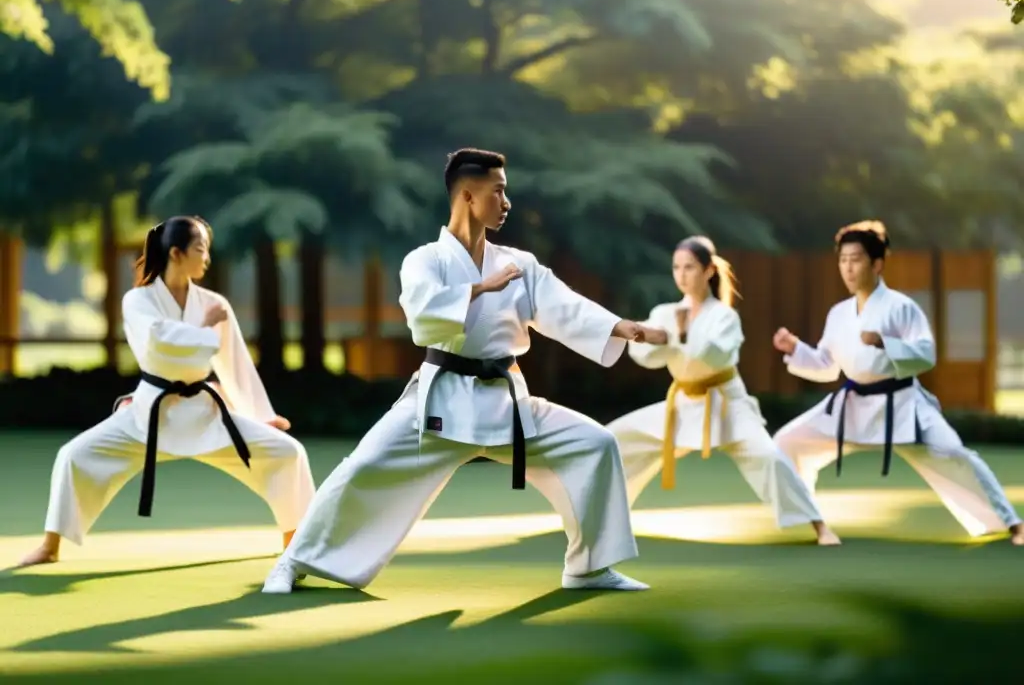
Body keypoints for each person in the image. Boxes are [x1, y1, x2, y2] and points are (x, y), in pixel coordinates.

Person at [262, 148, 659, 594]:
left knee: (596, 444)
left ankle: (589, 567)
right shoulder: (424, 260)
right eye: (499, 191)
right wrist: (479, 287)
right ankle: (292, 561)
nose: (507, 202)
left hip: (508, 403)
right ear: (468, 196)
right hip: (439, 401)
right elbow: (422, 317)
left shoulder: (519, 264)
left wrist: (621, 327)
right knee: (361, 467)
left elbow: (564, 307)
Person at [16, 216, 317, 567]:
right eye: (200, 249)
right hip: (148, 415)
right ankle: (49, 547)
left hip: (205, 416)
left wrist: (260, 416)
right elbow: (159, 343)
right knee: (73, 456)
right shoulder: (138, 300)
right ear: (176, 253)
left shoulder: (213, 302)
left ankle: (295, 542)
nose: (207, 258)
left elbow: (234, 363)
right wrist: (205, 329)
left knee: (288, 452)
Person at [772, 220, 1023, 545]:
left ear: (877, 264)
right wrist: (796, 350)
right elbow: (827, 367)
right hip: (853, 404)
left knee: (956, 455)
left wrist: (883, 342)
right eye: (843, 260)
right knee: (785, 443)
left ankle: (1013, 524)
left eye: (856, 259)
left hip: (902, 405)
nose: (848, 268)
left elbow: (926, 355)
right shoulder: (838, 314)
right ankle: (818, 526)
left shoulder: (901, 307)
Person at [606, 236, 840, 546]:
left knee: (770, 458)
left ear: (708, 271)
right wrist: (649, 337)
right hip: (684, 403)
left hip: (727, 404)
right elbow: (649, 356)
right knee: (614, 439)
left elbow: (714, 355)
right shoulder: (665, 312)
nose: (682, 274)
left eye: (689, 267)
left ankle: (820, 526)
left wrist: (679, 335)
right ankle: (601, 518)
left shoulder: (725, 316)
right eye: (676, 267)